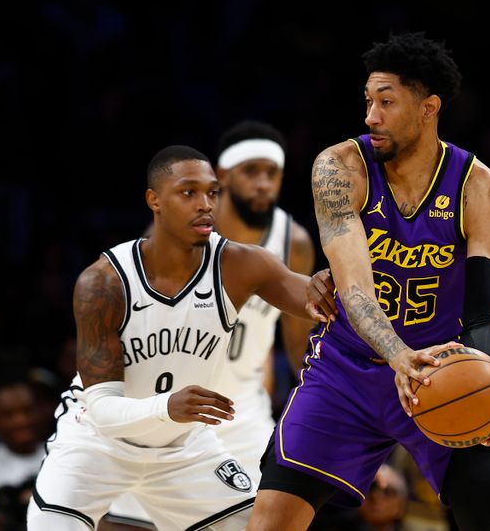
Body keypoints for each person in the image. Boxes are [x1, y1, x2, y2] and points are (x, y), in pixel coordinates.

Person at [246, 31, 490, 531]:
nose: (371, 116)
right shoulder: (339, 168)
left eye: (387, 102)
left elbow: (482, 314)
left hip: (440, 370)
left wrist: (484, 379)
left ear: (429, 107)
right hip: (347, 369)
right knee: (270, 520)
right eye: (368, 101)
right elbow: (353, 290)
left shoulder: (483, 189)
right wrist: (395, 354)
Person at [27, 145, 330, 531]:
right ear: (154, 199)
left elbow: (315, 301)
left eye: (212, 193)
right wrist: (168, 406)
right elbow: (102, 408)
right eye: (189, 193)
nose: (205, 204)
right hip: (97, 444)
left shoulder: (239, 264)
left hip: (184, 447)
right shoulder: (103, 282)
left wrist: (332, 285)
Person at [101, 121, 319, 530]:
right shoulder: (175, 232)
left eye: (272, 174)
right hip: (172, 409)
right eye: (251, 171)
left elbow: (300, 345)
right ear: (222, 177)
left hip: (243, 414)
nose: (263, 184)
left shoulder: (294, 241)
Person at [0, 378, 46, 529]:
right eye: (9, 414)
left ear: (40, 411)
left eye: (27, 410)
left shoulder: (61, 453)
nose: (21, 421)